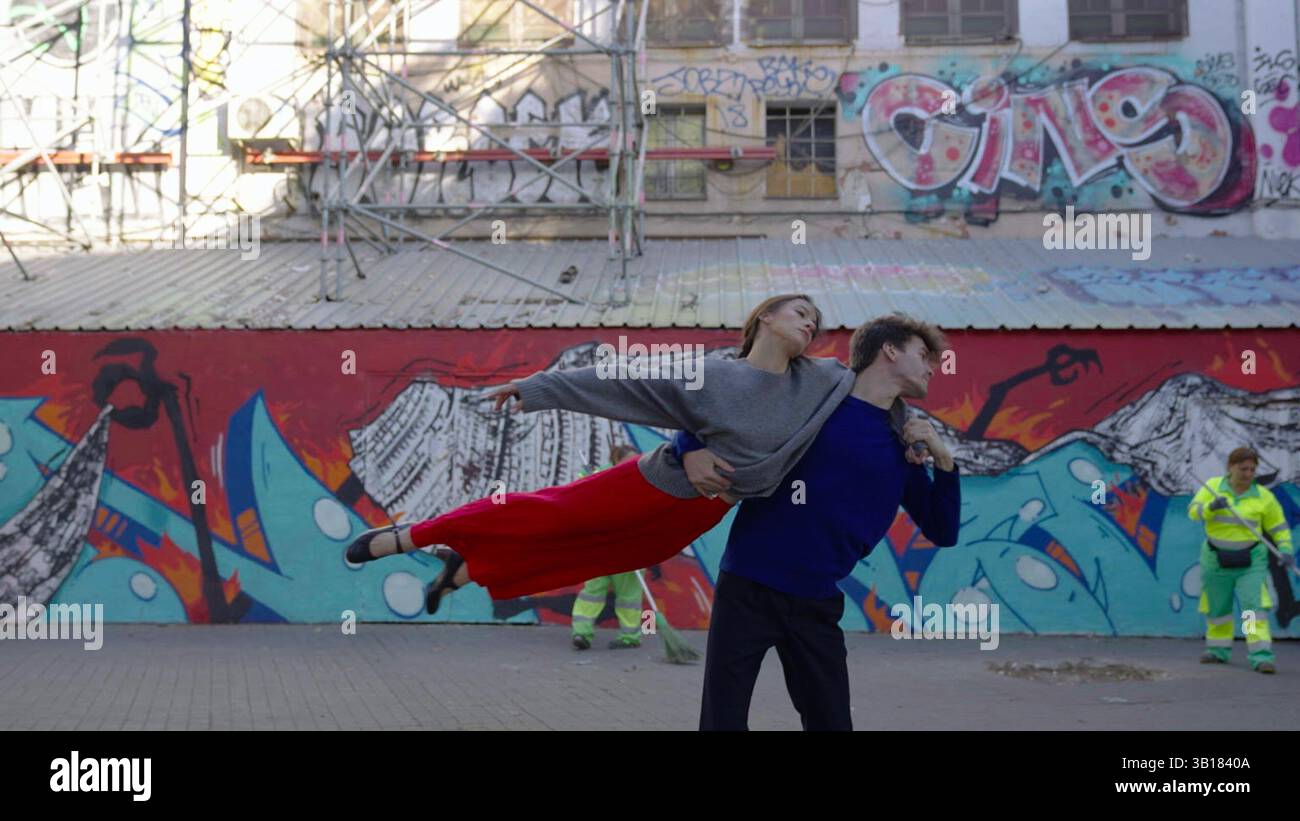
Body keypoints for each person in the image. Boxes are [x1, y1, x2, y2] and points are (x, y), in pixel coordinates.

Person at [343, 295, 910, 616]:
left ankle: (465, 571)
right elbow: (624, 381)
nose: (810, 324)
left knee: (595, 555)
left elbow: (877, 399)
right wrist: (537, 388)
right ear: (765, 317)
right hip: (653, 484)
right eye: (799, 312)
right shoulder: (712, 372)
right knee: (543, 514)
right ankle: (408, 536)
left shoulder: (827, 381)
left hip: (699, 512)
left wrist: (916, 435)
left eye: (815, 321)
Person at [675, 313, 962, 730]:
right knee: (722, 720)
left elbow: (943, 530)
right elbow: (712, 407)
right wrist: (688, 448)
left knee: (830, 723)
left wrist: (944, 458)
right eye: (923, 355)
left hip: (816, 603)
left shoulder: (901, 443)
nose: (932, 367)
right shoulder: (811, 400)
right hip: (748, 587)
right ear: (890, 351)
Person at [1188, 446, 1295, 673]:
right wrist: (1211, 507)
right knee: (1218, 608)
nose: (1248, 474)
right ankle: (1218, 650)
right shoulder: (1214, 488)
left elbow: (1279, 528)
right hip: (1215, 558)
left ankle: (1260, 655)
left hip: (1251, 561)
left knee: (1251, 609)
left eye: (1252, 470)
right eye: (1243, 469)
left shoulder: (1264, 497)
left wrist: (1285, 550)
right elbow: (1193, 512)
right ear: (1230, 467)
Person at [569, 445, 646, 651]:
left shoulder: (640, 478)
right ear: (616, 460)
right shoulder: (598, 477)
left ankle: (629, 636)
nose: (634, 463)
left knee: (628, 594)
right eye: (629, 460)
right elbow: (579, 498)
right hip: (608, 546)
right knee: (593, 591)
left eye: (636, 459)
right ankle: (582, 632)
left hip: (627, 547)